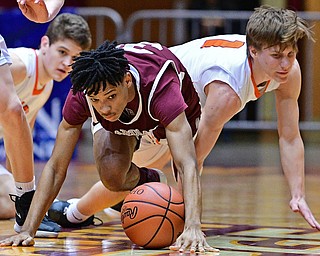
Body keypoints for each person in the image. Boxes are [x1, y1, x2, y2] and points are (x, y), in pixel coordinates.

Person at [44, 4, 319, 250]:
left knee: (134, 178)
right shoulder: (226, 90)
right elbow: (192, 160)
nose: (285, 64)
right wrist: (189, 227)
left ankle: (72, 212)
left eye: (291, 54)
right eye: (277, 56)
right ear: (254, 51)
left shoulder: (287, 71)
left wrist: (297, 193)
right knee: (127, 176)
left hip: (179, 101)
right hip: (155, 96)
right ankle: (76, 210)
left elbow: (290, 136)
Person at [0, 40, 218, 253]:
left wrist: (193, 227)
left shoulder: (161, 87)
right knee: (112, 175)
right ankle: (150, 180)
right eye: (95, 99)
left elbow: (186, 163)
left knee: (184, 160)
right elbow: (56, 167)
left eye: (110, 96)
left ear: (127, 80)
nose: (104, 107)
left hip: (171, 114)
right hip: (128, 114)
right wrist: (29, 230)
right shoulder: (84, 91)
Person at [0, 12, 92, 237]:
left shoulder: (46, 85)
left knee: (9, 201)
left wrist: (20, 196)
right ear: (44, 44)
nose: (67, 63)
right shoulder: (20, 67)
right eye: (62, 52)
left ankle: (37, 210)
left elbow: (19, 144)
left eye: (75, 58)